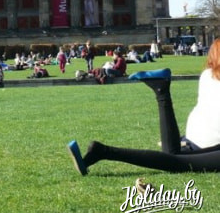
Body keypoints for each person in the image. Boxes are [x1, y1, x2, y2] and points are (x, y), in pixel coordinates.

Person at [68, 40, 220, 175]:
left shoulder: (207, 75)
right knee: (178, 162)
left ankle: (161, 90)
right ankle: (103, 151)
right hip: (209, 141)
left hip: (194, 137)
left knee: (172, 155)